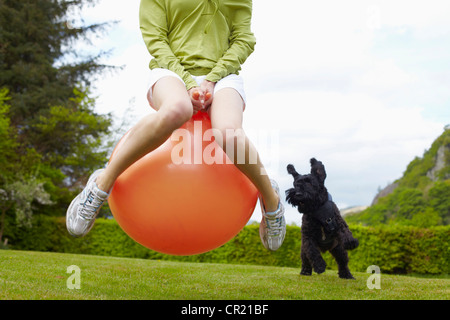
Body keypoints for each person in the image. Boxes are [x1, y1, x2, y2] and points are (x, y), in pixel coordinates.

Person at [66, 0, 286, 251]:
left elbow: (243, 39)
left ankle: (271, 201)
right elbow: (156, 40)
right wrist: (188, 82)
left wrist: (213, 78)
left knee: (227, 132)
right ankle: (100, 186)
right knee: (177, 109)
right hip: (170, 72)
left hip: (224, 76)